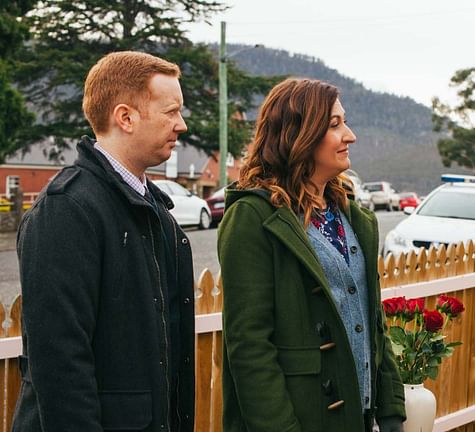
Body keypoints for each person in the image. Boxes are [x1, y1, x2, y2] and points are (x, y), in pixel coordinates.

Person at [13, 51, 195, 431]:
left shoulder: (155, 211)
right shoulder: (67, 210)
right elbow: (60, 364)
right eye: (171, 112)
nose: (181, 125)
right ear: (125, 117)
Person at [218, 78, 406, 432]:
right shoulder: (252, 217)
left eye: (345, 122)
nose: (350, 135)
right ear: (298, 134)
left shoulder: (353, 217)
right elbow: (249, 346)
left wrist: (391, 408)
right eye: (334, 125)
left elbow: (373, 323)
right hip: (300, 420)